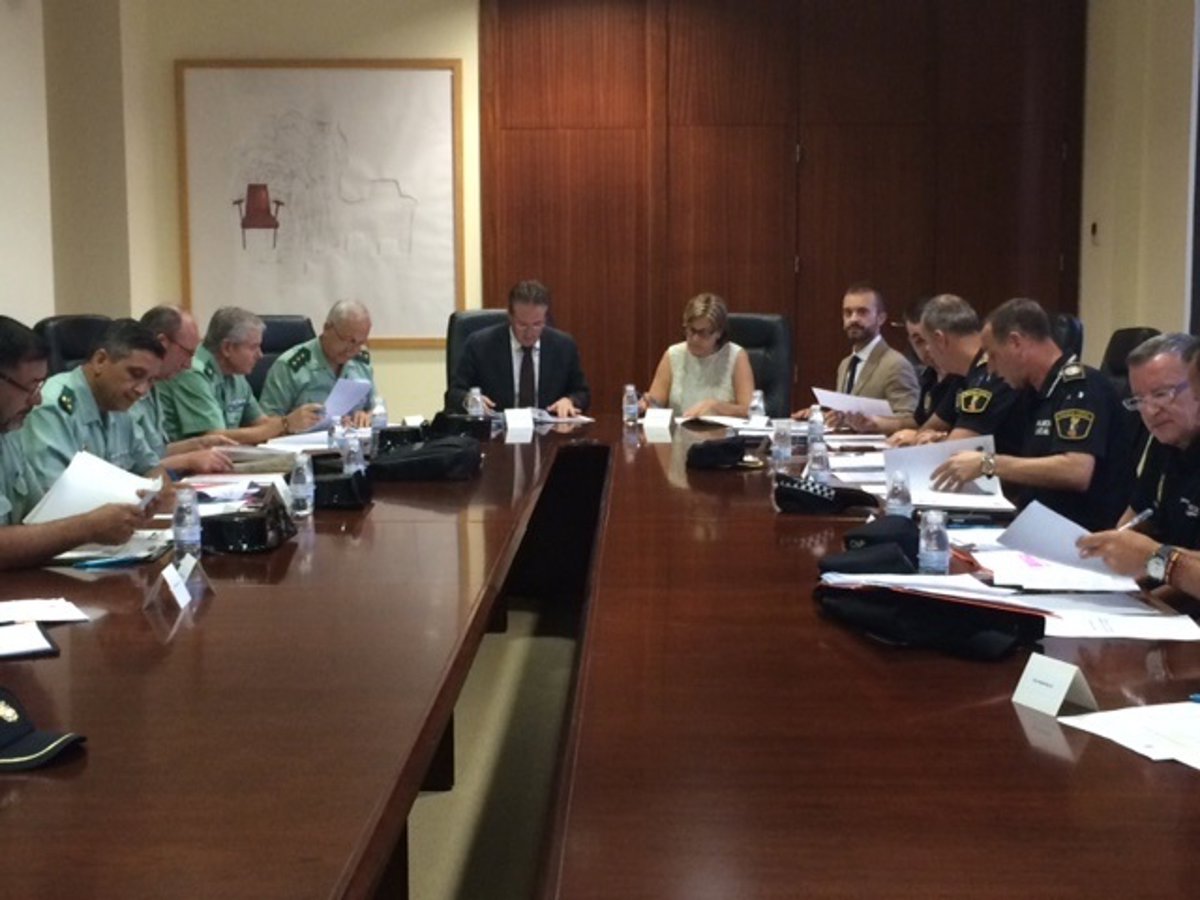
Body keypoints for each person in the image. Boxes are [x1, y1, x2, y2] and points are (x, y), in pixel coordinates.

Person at [932, 297, 1130, 531]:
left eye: (993, 355)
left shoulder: (1081, 387)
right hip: (1032, 525)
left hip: (1079, 533)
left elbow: (1076, 471)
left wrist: (988, 464)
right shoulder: (1032, 393)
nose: (991, 369)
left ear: (1016, 342)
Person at [0, 316, 150, 569]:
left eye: (40, 386)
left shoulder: (8, 432)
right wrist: (87, 527)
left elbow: (38, 514)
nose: (37, 401)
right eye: (30, 387)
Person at [1078, 334, 1200, 583]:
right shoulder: (1165, 441)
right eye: (1139, 400)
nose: (1150, 411)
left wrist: (1152, 560)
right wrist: (1107, 556)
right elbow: (1137, 516)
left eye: (1162, 394)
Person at [21, 318, 175, 497]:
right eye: (136, 374)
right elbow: (54, 496)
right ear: (100, 360)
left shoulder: (120, 406)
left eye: (150, 380)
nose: (142, 390)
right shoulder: (53, 408)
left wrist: (159, 494)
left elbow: (151, 469)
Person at [159, 306, 323, 444]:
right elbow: (214, 438)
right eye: (253, 347)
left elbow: (261, 423)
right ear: (227, 348)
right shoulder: (193, 372)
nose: (260, 355)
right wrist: (285, 424)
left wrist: (306, 423)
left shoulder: (235, 373)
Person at [888, 294, 1027, 451]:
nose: (928, 351)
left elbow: (957, 447)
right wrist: (928, 437)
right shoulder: (961, 376)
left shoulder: (992, 372)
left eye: (927, 342)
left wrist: (929, 440)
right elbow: (931, 427)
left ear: (940, 339)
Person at [445, 280, 590, 416]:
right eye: (522, 325)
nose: (529, 333)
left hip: (549, 430)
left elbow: (581, 392)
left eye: (537, 324)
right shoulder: (480, 345)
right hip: (496, 430)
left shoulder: (564, 346)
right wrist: (470, 400)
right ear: (510, 316)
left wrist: (570, 401)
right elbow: (454, 393)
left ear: (546, 318)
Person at [795, 283, 919, 421]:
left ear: (881, 318)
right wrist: (821, 416)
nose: (853, 319)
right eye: (848, 313)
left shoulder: (896, 365)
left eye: (862, 312)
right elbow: (847, 414)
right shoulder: (845, 364)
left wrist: (872, 423)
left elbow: (911, 419)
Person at [134, 305, 235, 474]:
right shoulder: (129, 392)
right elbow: (131, 467)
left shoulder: (155, 385)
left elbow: (154, 451)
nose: (188, 365)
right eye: (188, 353)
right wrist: (188, 460)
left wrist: (197, 444)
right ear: (162, 343)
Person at [843, 297, 956, 435]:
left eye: (932, 339)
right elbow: (917, 422)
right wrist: (875, 423)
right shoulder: (929, 376)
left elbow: (934, 427)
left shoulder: (961, 377)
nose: (928, 348)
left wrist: (916, 436)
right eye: (919, 341)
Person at [260, 300, 377, 428]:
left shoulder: (361, 363)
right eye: (348, 340)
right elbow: (265, 424)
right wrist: (289, 422)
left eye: (360, 343)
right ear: (327, 328)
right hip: (303, 440)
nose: (352, 350)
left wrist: (368, 416)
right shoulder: (290, 366)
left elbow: (376, 407)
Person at [639, 293, 754, 417]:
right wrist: (644, 405)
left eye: (703, 333)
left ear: (719, 333)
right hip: (679, 428)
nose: (695, 339)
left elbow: (749, 410)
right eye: (691, 330)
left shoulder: (736, 356)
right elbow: (655, 404)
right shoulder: (673, 355)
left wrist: (717, 407)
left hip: (723, 429)